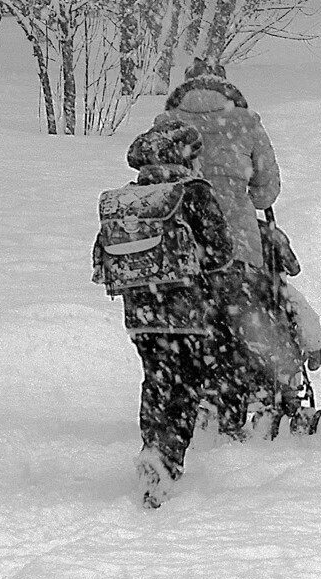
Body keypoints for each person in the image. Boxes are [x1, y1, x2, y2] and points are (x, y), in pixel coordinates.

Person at [93, 121, 235, 507]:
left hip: (140, 314)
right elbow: (220, 251)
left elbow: (103, 255)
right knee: (185, 385)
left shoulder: (130, 198)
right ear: (186, 155)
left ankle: (153, 445)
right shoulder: (193, 193)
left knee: (156, 379)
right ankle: (167, 460)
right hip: (187, 312)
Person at [143, 60, 288, 435]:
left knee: (197, 320)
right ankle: (241, 390)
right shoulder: (245, 123)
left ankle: (193, 388)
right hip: (237, 242)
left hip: (183, 245)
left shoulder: (167, 126)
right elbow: (267, 191)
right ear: (226, 87)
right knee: (242, 315)